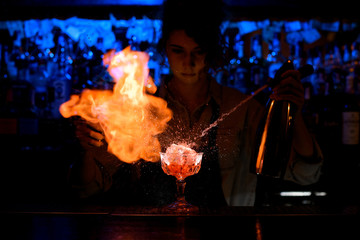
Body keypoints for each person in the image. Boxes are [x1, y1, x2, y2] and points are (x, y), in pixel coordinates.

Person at [67, 0, 323, 206]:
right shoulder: (138, 108)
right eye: (178, 50)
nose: (188, 63)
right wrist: (86, 147)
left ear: (211, 52)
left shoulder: (242, 108)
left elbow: (306, 175)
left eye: (198, 51)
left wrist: (292, 110)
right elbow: (86, 189)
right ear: (165, 50)